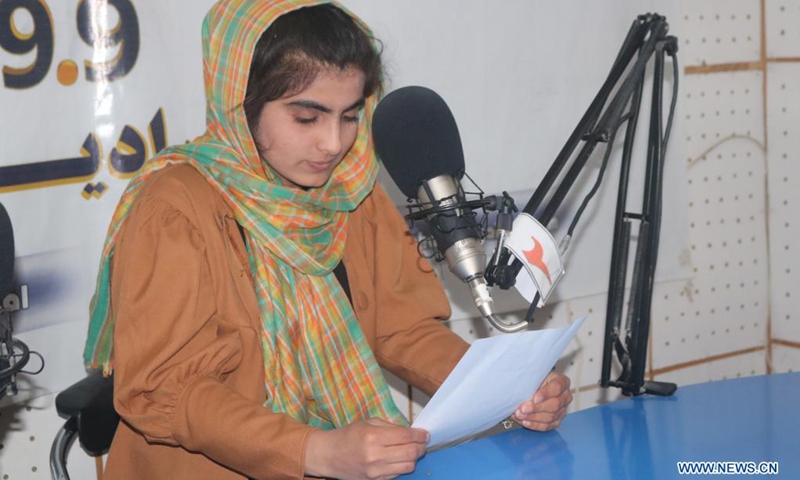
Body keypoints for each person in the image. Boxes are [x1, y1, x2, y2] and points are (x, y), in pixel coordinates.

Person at [83, 1, 573, 479]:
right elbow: (165, 389)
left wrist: (508, 391)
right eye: (307, 117)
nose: (334, 143)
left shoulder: (351, 189)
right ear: (241, 104)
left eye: (350, 115)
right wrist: (312, 449)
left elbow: (402, 329)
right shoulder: (175, 206)